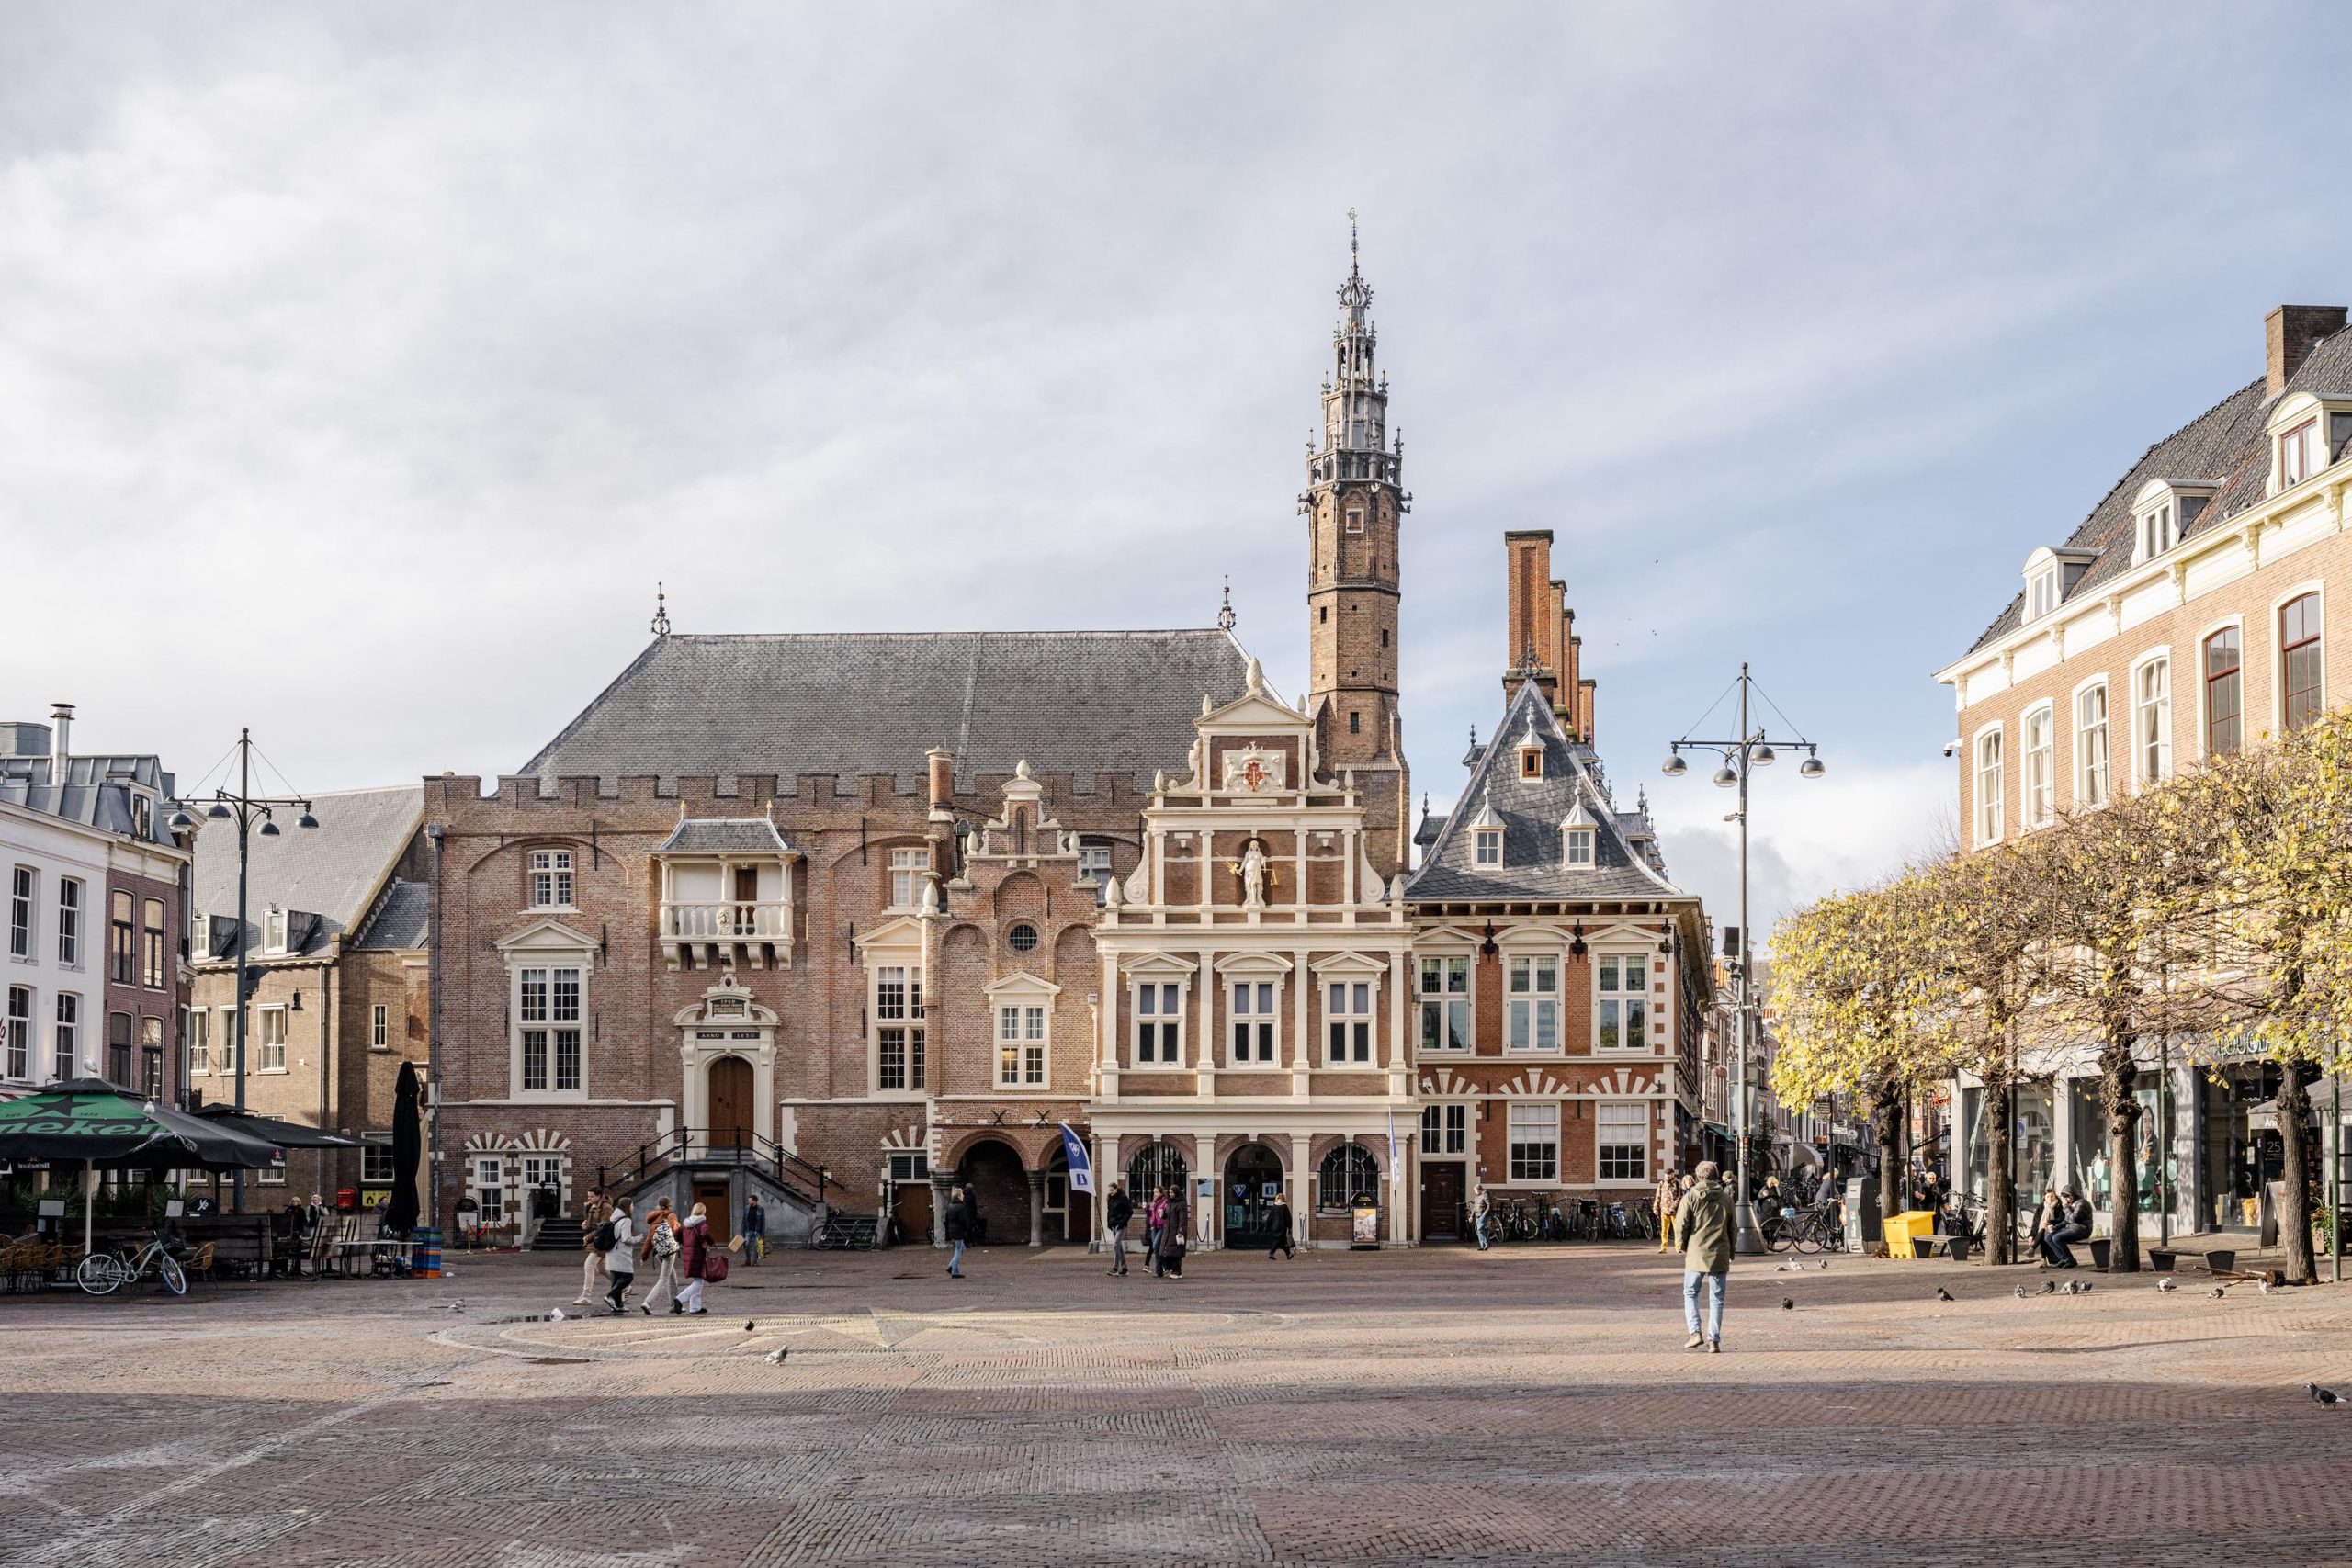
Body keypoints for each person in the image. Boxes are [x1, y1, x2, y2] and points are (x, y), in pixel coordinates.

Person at [1674, 1160, 1734, 1354]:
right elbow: (1732, 1227)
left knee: (1690, 1292)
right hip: (1720, 1251)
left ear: (1698, 1176)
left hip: (1696, 1252)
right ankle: (1713, 1340)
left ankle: (1695, 1332)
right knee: (1717, 1299)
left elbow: (1681, 1224)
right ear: (1716, 1175)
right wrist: (1731, 1251)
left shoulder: (1690, 1197)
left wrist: (1681, 1245)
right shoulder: (1726, 1199)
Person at [639, 1196, 683, 1314]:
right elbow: (676, 1229)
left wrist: (643, 1256)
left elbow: (649, 1240)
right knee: (663, 1279)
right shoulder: (670, 1215)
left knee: (672, 1278)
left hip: (659, 1252)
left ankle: (673, 1305)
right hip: (669, 1252)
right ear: (669, 1205)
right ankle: (647, 1302)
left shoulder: (654, 1219)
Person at [573, 1186, 611, 1306]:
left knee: (589, 1265)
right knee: (602, 1269)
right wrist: (585, 1225)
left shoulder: (606, 1207)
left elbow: (603, 1228)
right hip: (596, 1241)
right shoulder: (592, 1206)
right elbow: (591, 1224)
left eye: (591, 1196)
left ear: (599, 1196)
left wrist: (588, 1237)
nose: (589, 1199)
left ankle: (586, 1297)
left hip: (601, 1242)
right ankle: (624, 1286)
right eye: (588, 1196)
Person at [676, 1201, 714, 1314]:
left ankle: (695, 1307)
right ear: (703, 1212)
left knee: (698, 1280)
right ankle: (680, 1299)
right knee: (699, 1280)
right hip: (698, 1254)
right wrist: (710, 1242)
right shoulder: (702, 1223)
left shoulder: (686, 1224)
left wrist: (685, 1243)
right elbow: (705, 1233)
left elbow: (676, 1234)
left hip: (688, 1254)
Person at [2042, 1187, 2093, 1269]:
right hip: (2071, 1228)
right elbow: (2066, 1221)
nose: (2066, 1199)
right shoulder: (2071, 1203)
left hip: (2082, 1229)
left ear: (2073, 1195)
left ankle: (2070, 1259)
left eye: (2067, 1196)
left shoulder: (2082, 1203)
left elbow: (2074, 1219)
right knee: (2048, 1236)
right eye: (2064, 1197)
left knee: (2057, 1237)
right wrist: (2055, 1227)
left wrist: (2066, 1208)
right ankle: (2063, 1258)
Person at [603, 1200, 638, 1314]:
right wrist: (638, 1239)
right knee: (628, 1277)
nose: (633, 1207)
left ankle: (618, 1306)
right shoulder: (626, 1220)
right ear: (628, 1206)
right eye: (632, 1205)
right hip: (621, 1252)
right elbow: (626, 1238)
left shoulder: (614, 1218)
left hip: (611, 1251)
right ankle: (610, 1296)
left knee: (616, 1279)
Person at [1103, 1179, 1133, 1277]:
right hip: (1113, 1224)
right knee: (1118, 1247)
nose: (1110, 1192)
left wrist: (1123, 1222)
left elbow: (1129, 1211)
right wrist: (1108, 1223)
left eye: (1112, 1190)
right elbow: (1109, 1211)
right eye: (1109, 1190)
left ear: (1116, 1189)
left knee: (1115, 1245)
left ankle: (1115, 1268)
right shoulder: (1110, 1198)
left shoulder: (1123, 1198)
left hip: (1120, 1225)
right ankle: (1124, 1268)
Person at [944, 1185, 974, 1279]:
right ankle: (955, 1272)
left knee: (962, 1248)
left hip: (953, 1230)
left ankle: (951, 1266)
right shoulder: (961, 1206)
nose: (963, 1196)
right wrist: (967, 1228)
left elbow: (946, 1220)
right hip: (959, 1231)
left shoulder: (950, 1206)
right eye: (962, 1194)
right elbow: (963, 1220)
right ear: (959, 1196)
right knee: (958, 1250)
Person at [1159, 1189, 1188, 1278]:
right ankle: (1172, 1268)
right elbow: (1167, 1216)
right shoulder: (1168, 1202)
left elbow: (1183, 1219)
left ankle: (1177, 1271)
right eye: (1170, 1193)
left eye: (1172, 1193)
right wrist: (1162, 1215)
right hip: (1168, 1230)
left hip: (1176, 1231)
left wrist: (1181, 1231)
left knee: (1176, 1252)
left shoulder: (1181, 1204)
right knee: (1166, 1251)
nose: (1171, 1194)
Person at [1654, 1169, 1680, 1254]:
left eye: (1669, 1174)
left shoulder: (1677, 1183)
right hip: (1664, 1210)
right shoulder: (1661, 1183)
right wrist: (1655, 1207)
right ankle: (1663, 1247)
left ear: (1673, 1175)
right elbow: (1658, 1196)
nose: (1667, 1176)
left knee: (1677, 1230)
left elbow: (1679, 1197)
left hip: (1674, 1211)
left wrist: (1673, 1207)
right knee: (1664, 1230)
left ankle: (1678, 1247)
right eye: (1666, 1175)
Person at [1145, 1187, 1169, 1274]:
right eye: (1154, 1192)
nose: (1154, 1194)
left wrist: (1162, 1213)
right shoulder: (1153, 1202)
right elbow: (1151, 1214)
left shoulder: (1165, 1202)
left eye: (1157, 1192)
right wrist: (1146, 1209)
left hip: (1161, 1226)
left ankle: (1167, 1265)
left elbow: (1166, 1214)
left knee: (1155, 1246)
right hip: (1154, 1227)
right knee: (1156, 1249)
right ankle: (1159, 1271)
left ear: (1161, 1193)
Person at [1267, 1190, 1295, 1259]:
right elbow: (1288, 1218)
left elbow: (1269, 1218)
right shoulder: (1285, 1207)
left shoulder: (1274, 1207)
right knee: (1278, 1240)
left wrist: (1267, 1226)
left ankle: (1288, 1254)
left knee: (1282, 1241)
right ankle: (1271, 1253)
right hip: (1282, 1227)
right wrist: (1290, 1227)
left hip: (1275, 1227)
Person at [742, 1194, 767, 1267]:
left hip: (757, 1231)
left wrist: (762, 1234)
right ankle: (748, 1260)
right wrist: (742, 1231)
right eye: (749, 1200)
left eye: (750, 1200)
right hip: (748, 1230)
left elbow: (763, 1222)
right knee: (747, 1245)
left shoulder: (760, 1209)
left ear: (755, 1201)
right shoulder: (746, 1208)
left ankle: (755, 1261)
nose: (749, 1201)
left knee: (757, 1246)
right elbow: (743, 1220)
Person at [1471, 1184, 1492, 1251]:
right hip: (1478, 1215)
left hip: (1484, 1215)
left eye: (1475, 1190)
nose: (1474, 1192)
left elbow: (1489, 1205)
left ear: (1479, 1190)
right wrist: (1471, 1216)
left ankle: (1487, 1243)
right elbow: (1475, 1207)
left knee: (1480, 1229)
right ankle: (1483, 1246)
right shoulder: (1477, 1196)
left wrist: (1484, 1214)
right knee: (1477, 1229)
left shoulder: (1485, 1195)